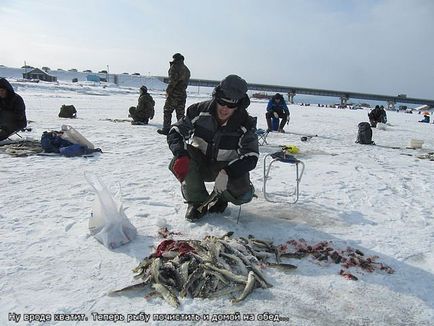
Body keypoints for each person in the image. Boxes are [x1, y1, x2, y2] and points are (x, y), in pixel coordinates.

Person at [166, 75, 259, 222]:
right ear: (216, 97)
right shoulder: (198, 111)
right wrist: (181, 154)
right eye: (222, 102)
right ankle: (197, 202)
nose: (225, 108)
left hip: (225, 168)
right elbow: (175, 132)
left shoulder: (246, 123)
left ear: (239, 105)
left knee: (244, 195)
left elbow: (251, 156)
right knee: (182, 156)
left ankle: (221, 198)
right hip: (201, 163)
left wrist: (228, 171)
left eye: (231, 105)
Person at [157, 53, 191, 135]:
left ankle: (166, 129)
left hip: (174, 94)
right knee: (180, 114)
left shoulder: (175, 67)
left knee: (167, 111)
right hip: (182, 94)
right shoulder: (187, 70)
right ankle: (183, 130)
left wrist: (168, 91)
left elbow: (172, 82)